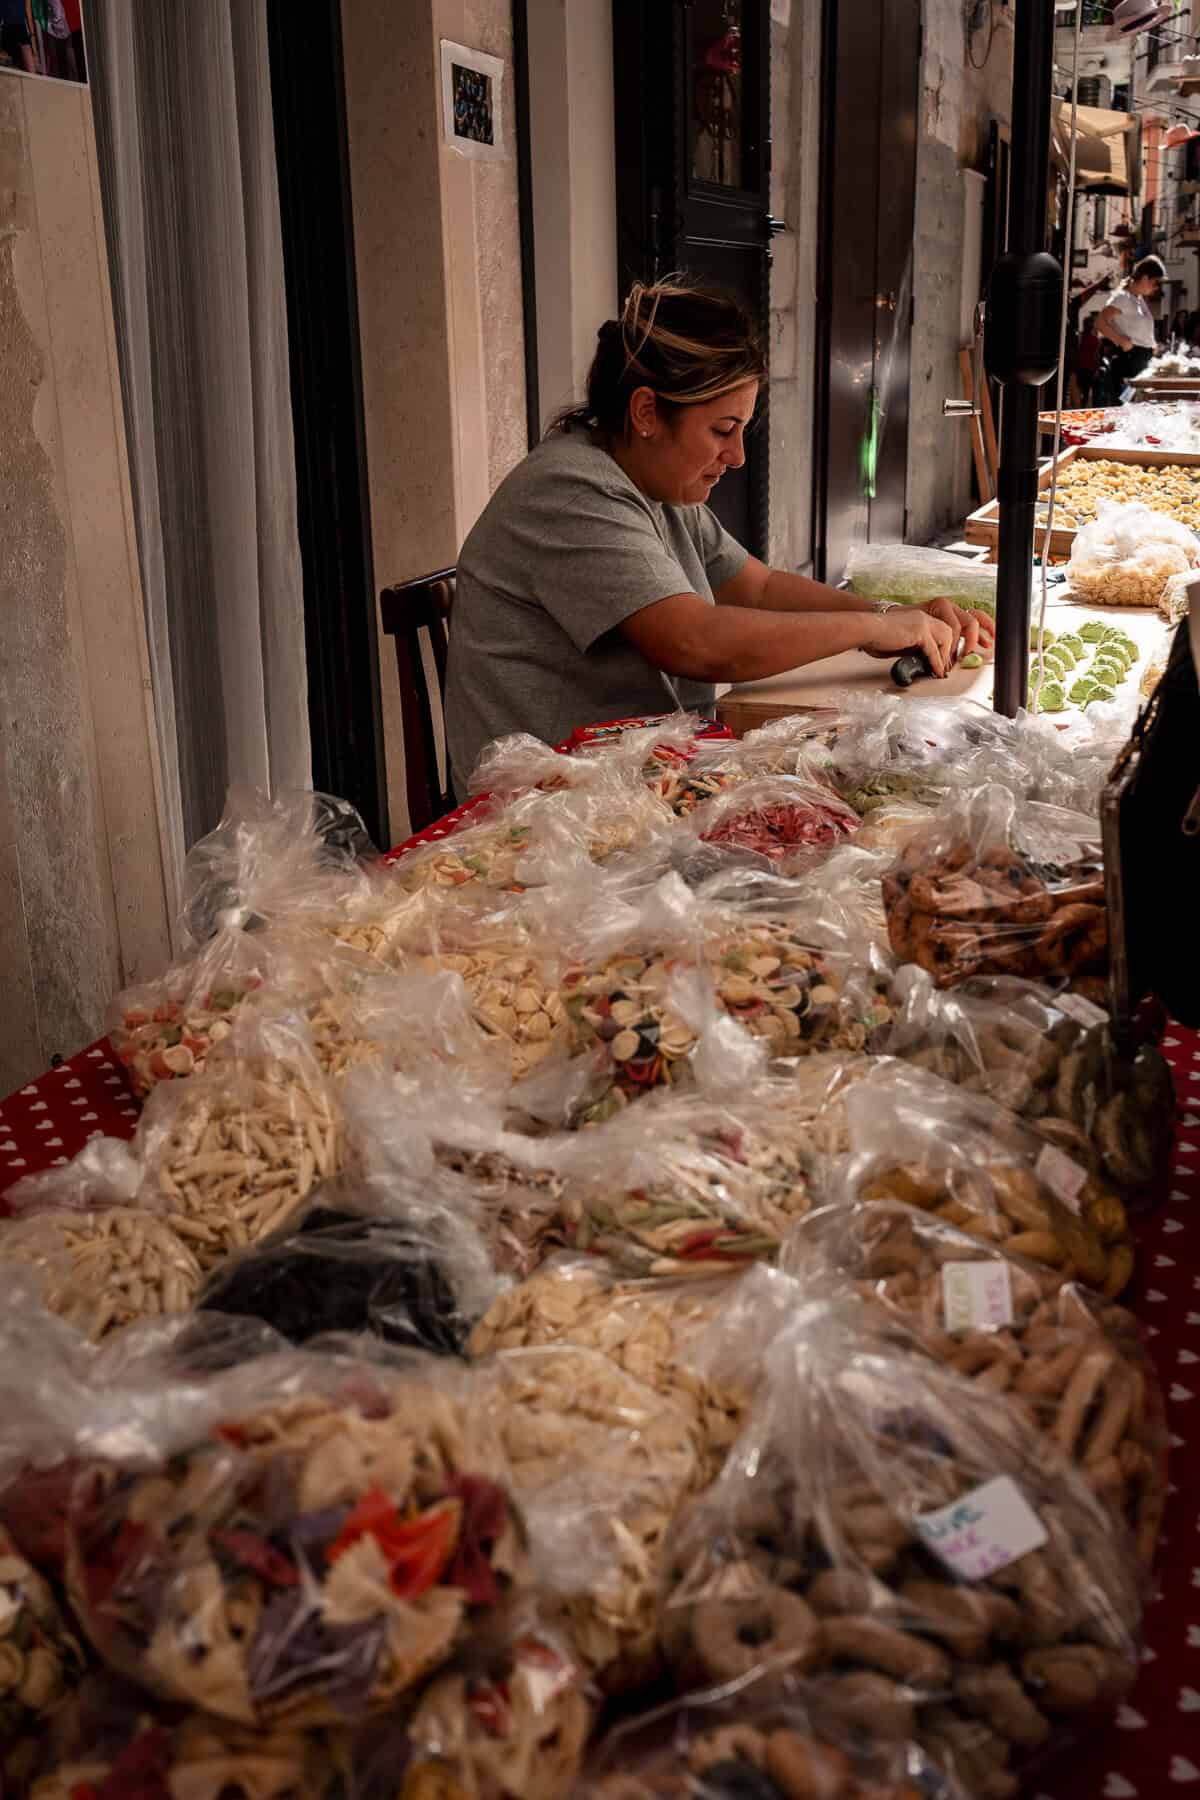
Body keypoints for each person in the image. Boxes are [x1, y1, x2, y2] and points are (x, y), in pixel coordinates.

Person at [444, 279, 994, 797]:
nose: (736, 458)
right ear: (646, 413)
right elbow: (696, 642)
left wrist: (886, 614)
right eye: (722, 432)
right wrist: (870, 625)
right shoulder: (571, 491)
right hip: (549, 806)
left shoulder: (654, 482)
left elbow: (755, 586)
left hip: (637, 771)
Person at [1092, 256, 1166, 404]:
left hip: (1141, 360)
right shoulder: (1122, 298)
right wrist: (1120, 340)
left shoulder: (1138, 299)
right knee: (1126, 408)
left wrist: (1152, 345)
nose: (1156, 287)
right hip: (1129, 360)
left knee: (1139, 407)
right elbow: (1100, 322)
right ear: (1145, 278)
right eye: (1155, 283)